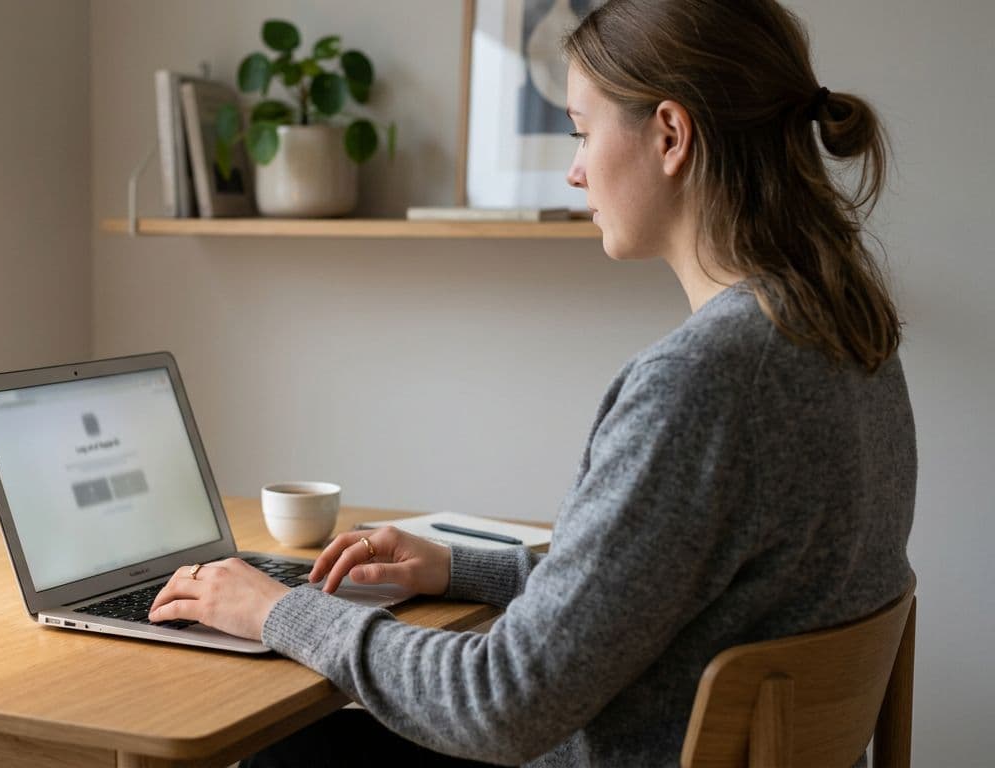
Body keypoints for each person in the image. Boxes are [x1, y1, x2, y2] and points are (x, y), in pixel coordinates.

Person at [148, 0, 916, 764]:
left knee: (297, 750)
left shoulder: (702, 381)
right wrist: (458, 567)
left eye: (583, 133)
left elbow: (502, 704)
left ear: (671, 136)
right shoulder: (846, 329)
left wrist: (281, 612)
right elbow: (665, 591)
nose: (576, 170)